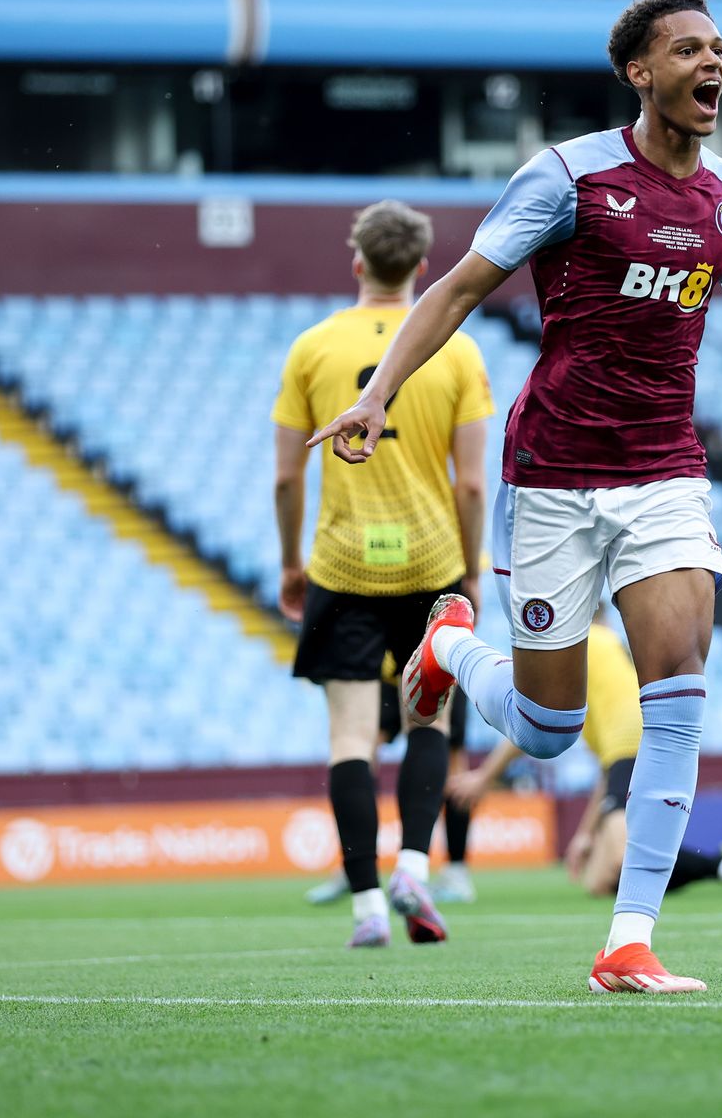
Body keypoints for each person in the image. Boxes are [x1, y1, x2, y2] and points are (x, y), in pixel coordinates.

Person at [308, 0, 722, 993]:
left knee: (677, 691)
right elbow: (460, 287)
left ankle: (628, 940)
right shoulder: (567, 176)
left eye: (720, 48)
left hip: (666, 474)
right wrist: (380, 394)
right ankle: (451, 647)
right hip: (553, 473)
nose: (711, 63)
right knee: (550, 728)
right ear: (641, 72)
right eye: (689, 48)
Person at [272, 200, 494, 946]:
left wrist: (290, 562)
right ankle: (413, 868)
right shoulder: (457, 352)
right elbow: (470, 482)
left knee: (351, 738)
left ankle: (367, 908)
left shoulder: (311, 349)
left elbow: (285, 478)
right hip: (433, 560)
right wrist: (471, 573)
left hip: (343, 562)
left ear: (357, 260)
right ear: (424, 268)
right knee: (431, 721)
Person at [445, 611, 722, 900]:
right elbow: (611, 775)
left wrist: (484, 777)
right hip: (635, 749)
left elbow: (531, 720)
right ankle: (721, 865)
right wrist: (585, 834)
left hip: (636, 742)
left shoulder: (584, 644)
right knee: (600, 882)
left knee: (623, 859)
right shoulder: (606, 665)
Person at [302, 677, 477, 906]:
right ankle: (359, 864)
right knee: (363, 745)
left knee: (450, 755)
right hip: (385, 664)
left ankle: (454, 871)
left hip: (427, 652)